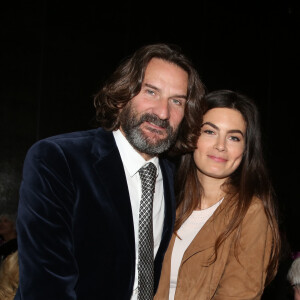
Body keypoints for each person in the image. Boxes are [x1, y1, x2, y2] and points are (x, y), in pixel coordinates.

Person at [15, 43, 206, 300]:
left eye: (176, 101)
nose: (163, 112)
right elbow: (46, 287)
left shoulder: (173, 179)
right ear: (123, 95)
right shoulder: (59, 159)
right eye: (151, 92)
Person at [154, 89, 281, 299]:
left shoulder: (251, 213)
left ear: (245, 149)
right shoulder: (167, 199)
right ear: (193, 136)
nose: (220, 146)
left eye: (233, 137)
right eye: (210, 132)